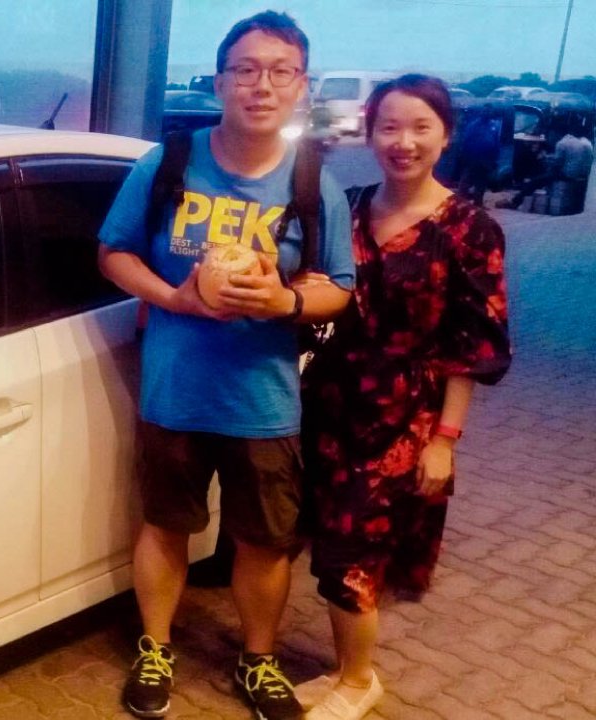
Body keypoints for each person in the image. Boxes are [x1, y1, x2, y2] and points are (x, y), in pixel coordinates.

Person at [97, 11, 355, 719]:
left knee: (264, 542)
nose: (261, 85)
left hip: (264, 398)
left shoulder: (314, 181)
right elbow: (113, 252)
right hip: (174, 389)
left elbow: (340, 287)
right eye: (245, 69)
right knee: (164, 524)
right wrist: (174, 297)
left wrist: (281, 301)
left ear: (300, 85)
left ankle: (258, 659)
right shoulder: (168, 163)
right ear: (219, 82)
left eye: (280, 71)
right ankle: (156, 648)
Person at [295, 74, 511, 720]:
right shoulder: (349, 206)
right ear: (370, 133)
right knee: (326, 544)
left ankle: (359, 682)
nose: (403, 141)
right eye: (389, 126)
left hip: (405, 416)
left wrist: (445, 440)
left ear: (446, 136)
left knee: (350, 552)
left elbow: (473, 345)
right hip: (328, 401)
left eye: (421, 127)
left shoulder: (470, 229)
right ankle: (343, 669)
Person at [502, 121, 594, 209]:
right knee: (544, 176)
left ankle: (515, 201)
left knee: (535, 181)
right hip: (583, 175)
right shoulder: (586, 142)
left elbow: (557, 164)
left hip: (568, 175)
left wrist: (544, 160)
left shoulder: (562, 143)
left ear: (556, 133)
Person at [454, 108, 500, 206]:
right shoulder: (473, 125)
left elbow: (496, 142)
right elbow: (466, 140)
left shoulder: (493, 126)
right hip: (474, 156)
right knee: (467, 180)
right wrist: (465, 155)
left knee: (481, 182)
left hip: (487, 158)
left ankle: (478, 203)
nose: (487, 113)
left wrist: (495, 159)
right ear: (481, 112)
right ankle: (461, 202)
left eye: (489, 111)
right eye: (485, 111)